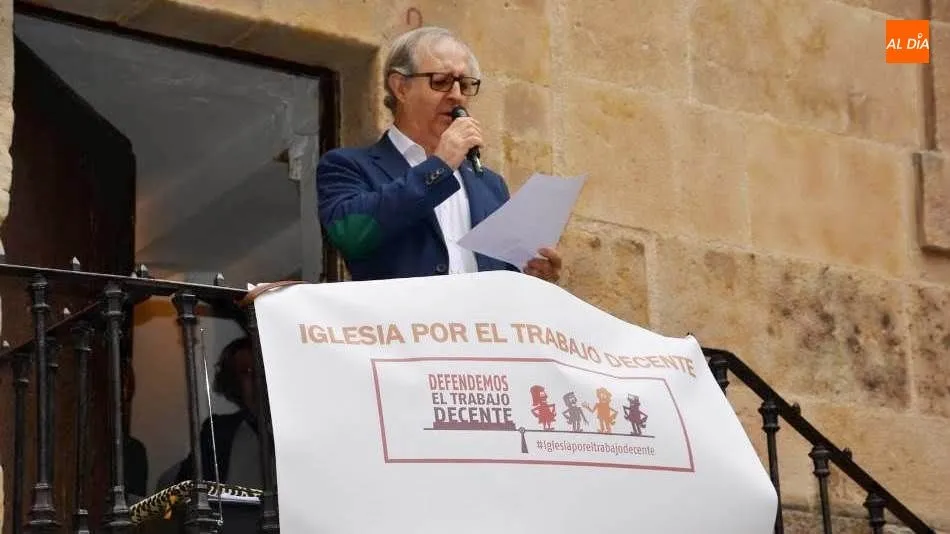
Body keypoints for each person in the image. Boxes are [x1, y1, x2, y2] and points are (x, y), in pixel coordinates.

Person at [316, 26, 562, 282]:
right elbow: (352, 235)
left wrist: (531, 275)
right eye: (441, 81)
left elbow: (502, 274)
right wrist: (439, 165)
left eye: (464, 85)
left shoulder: (490, 184)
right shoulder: (348, 165)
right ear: (401, 87)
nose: (456, 96)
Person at [171, 335, 263, 489]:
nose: (257, 379)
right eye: (246, 372)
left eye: (263, 370)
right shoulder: (217, 433)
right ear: (234, 383)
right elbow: (186, 492)